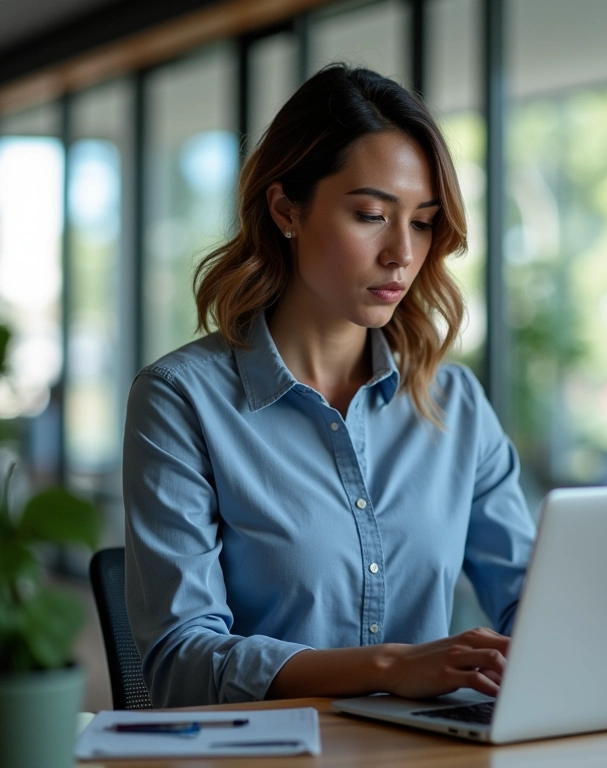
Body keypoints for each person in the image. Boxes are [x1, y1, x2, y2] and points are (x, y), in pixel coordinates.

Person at [123, 64, 536, 708]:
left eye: (423, 222)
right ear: (287, 208)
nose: (402, 252)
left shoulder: (454, 404)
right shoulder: (180, 400)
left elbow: (532, 600)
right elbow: (181, 662)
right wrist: (389, 666)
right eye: (372, 214)